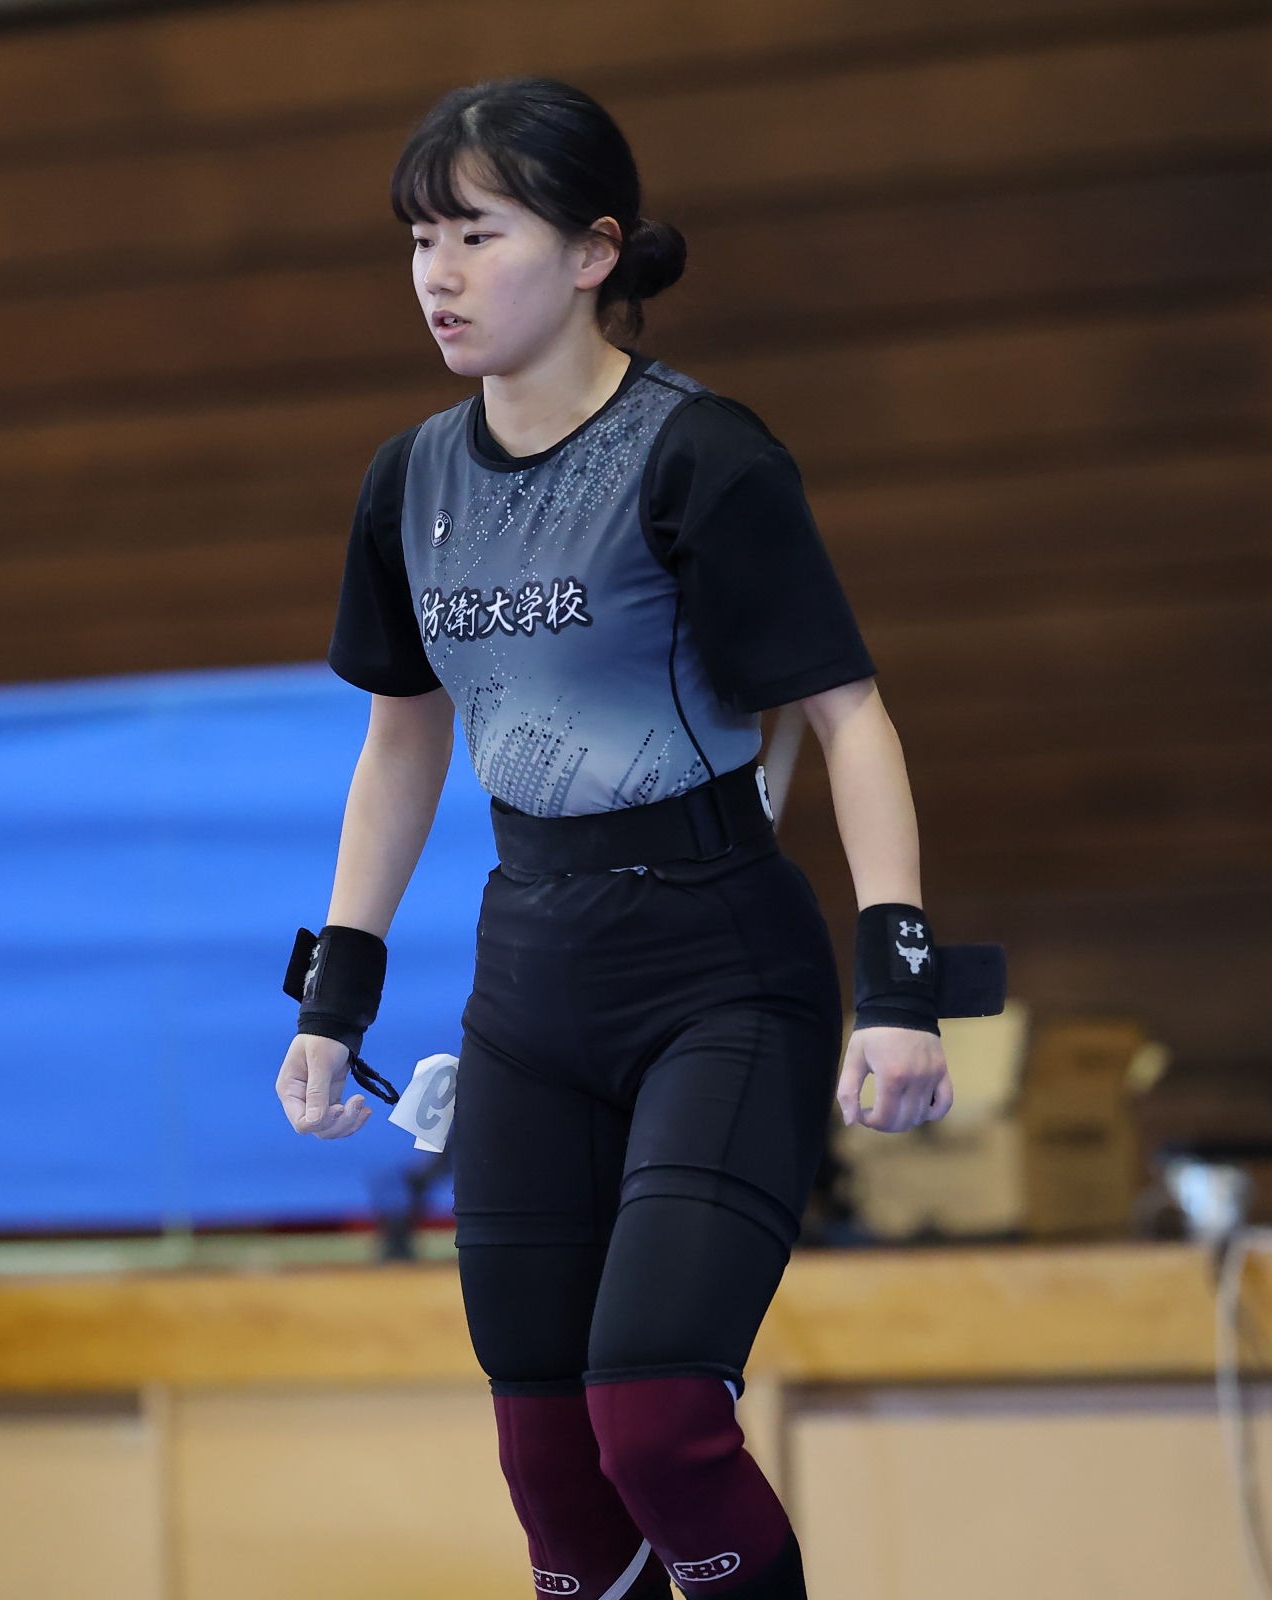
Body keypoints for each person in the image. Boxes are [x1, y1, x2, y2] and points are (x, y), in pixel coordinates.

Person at [275, 77, 953, 1600]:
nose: (438, 274)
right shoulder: (408, 482)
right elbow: (401, 743)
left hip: (720, 974)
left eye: (479, 236)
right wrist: (334, 1000)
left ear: (592, 253)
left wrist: (899, 987)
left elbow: (849, 717)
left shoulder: (701, 454)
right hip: (531, 980)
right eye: (420, 240)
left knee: (655, 1424)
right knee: (549, 1468)